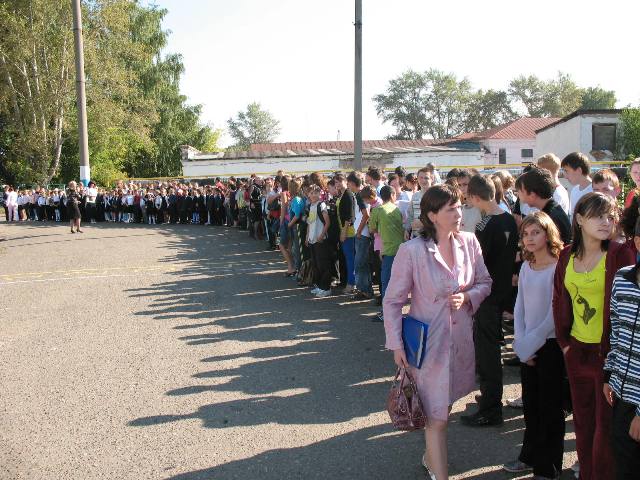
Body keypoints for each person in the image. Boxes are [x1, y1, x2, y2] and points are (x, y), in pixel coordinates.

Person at [383, 184, 492, 480]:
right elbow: (393, 301)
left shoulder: (470, 241)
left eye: (459, 206)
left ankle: (431, 457)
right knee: (438, 419)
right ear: (432, 215)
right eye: (451, 209)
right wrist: (396, 344)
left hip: (460, 342)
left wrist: (468, 297)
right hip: (426, 345)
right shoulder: (412, 251)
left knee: (444, 407)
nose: (459, 213)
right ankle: (439, 472)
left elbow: (485, 281)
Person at [553, 192, 635, 480]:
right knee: (583, 426)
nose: (606, 221)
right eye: (598, 215)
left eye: (610, 215)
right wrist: (565, 345)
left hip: (608, 356)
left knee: (604, 432)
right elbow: (559, 299)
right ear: (579, 219)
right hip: (577, 352)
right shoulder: (566, 254)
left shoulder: (619, 253)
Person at [503, 212, 565, 479]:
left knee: (550, 408)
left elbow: (556, 312)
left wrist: (532, 342)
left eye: (536, 232)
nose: (529, 238)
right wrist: (521, 341)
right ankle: (528, 456)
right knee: (531, 406)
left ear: (548, 234)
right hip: (528, 344)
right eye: (526, 234)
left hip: (550, 346)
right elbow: (520, 306)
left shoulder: (559, 266)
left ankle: (547, 467)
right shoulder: (527, 266)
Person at [461, 175, 518, 427]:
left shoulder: (485, 225)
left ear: (474, 197)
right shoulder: (508, 219)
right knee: (491, 349)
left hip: (487, 295)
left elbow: (478, 263)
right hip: (503, 291)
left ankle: (491, 407)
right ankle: (489, 398)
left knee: (487, 354)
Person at [604, 218, 640, 480]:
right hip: (621, 393)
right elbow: (617, 332)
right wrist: (610, 376)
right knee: (623, 463)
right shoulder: (623, 278)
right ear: (637, 242)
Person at [515, 167, 572, 245]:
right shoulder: (552, 210)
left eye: (519, 192)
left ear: (532, 195)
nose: (518, 195)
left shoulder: (550, 218)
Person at [347, 171, 373, 300]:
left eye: (349, 183)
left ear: (352, 183)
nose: (348, 186)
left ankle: (365, 290)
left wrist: (358, 231)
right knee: (363, 263)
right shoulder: (362, 192)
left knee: (359, 263)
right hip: (362, 232)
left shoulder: (359, 195)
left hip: (362, 234)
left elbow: (366, 214)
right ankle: (365, 289)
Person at [306, 185, 333, 297]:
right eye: (311, 193)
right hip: (312, 239)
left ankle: (326, 287)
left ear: (320, 194)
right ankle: (319, 286)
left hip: (320, 239)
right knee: (316, 264)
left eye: (315, 193)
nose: (313, 195)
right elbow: (309, 223)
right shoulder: (311, 206)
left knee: (323, 264)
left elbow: (327, 222)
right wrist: (307, 237)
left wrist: (322, 235)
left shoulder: (321, 205)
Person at [405, 166, 434, 239]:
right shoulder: (415, 196)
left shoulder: (436, 196)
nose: (423, 180)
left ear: (432, 179)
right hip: (416, 236)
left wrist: (423, 224)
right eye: (421, 178)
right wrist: (407, 229)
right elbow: (410, 215)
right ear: (417, 179)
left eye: (426, 178)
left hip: (431, 236)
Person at [561, 152, 592, 217]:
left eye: (566, 171)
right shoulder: (574, 190)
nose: (565, 176)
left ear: (579, 170)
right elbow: (572, 216)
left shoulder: (594, 190)